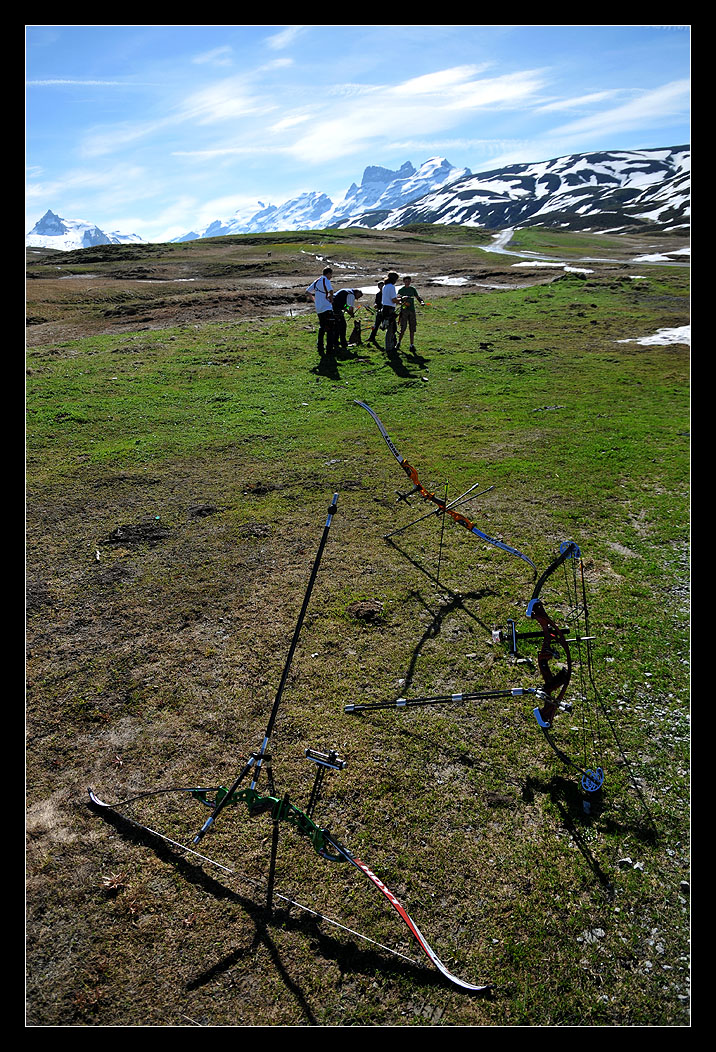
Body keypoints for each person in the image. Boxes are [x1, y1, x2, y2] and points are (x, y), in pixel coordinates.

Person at [306, 267, 336, 355]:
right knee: (330, 328)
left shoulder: (317, 281)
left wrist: (314, 300)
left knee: (322, 327)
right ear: (328, 274)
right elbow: (331, 290)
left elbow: (308, 291)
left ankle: (320, 346)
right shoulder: (325, 280)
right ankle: (329, 349)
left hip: (318, 308)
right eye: (331, 275)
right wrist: (331, 300)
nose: (331, 277)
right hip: (326, 307)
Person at [397, 276, 424, 351]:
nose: (407, 282)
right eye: (406, 281)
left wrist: (422, 302)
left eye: (408, 281)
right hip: (404, 311)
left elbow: (418, 297)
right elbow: (398, 299)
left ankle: (411, 344)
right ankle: (398, 342)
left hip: (412, 310)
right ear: (403, 282)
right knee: (403, 328)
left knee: (412, 328)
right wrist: (402, 299)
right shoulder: (401, 290)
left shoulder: (412, 289)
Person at [367, 281, 384, 347]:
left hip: (386, 311)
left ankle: (393, 340)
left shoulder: (387, 294)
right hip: (379, 311)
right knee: (376, 325)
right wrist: (375, 305)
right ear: (378, 287)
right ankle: (372, 337)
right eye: (380, 286)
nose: (381, 287)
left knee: (388, 326)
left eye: (383, 286)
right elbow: (376, 302)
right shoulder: (378, 294)